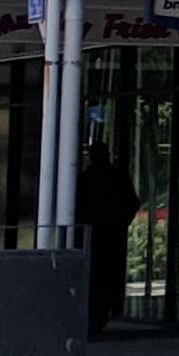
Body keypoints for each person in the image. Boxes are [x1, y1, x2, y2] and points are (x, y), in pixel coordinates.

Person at [74, 136, 138, 337]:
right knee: (108, 275)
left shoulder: (84, 180)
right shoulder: (117, 178)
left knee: (93, 275)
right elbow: (132, 203)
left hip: (92, 234)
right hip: (111, 234)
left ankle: (94, 314)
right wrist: (121, 222)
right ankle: (102, 312)